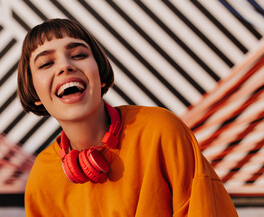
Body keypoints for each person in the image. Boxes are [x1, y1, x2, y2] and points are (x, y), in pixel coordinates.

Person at [17, 18, 238, 216]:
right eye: (46, 63)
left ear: (100, 76)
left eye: (79, 55)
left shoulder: (161, 131)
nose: (65, 66)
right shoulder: (42, 177)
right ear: (35, 93)